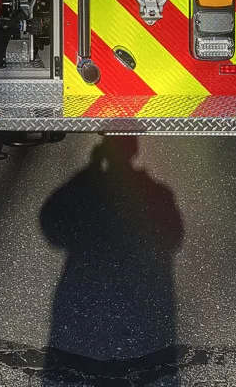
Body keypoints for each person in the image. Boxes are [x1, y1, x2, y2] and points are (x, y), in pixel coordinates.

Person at [39, 136, 184, 381]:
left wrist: (89, 171)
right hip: (142, 298)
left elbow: (50, 219)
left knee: (80, 367)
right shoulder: (158, 194)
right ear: (135, 151)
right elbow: (174, 238)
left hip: (85, 299)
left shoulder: (86, 192)